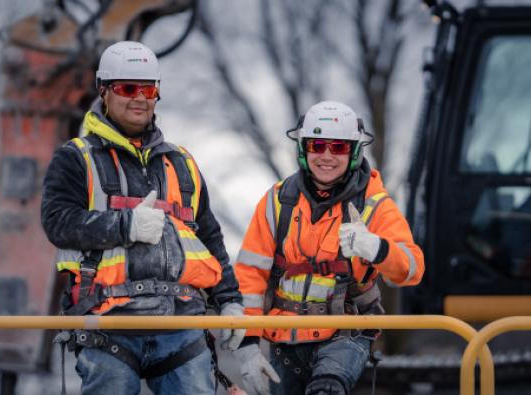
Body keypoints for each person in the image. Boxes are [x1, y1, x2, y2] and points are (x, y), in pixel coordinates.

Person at [41, 41, 245, 395]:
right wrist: (124, 226)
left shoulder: (182, 163)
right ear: (103, 91)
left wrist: (230, 300)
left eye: (148, 89)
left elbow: (210, 238)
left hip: (182, 323)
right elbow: (57, 222)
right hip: (106, 323)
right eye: (127, 88)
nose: (140, 98)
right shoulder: (75, 158)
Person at [232, 101, 425, 395]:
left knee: (326, 390)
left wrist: (377, 249)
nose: (326, 155)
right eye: (317, 145)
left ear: (354, 152)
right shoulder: (277, 201)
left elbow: (412, 269)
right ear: (303, 148)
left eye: (338, 147)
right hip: (285, 340)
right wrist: (248, 346)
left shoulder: (375, 205)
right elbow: (250, 276)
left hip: (345, 334)